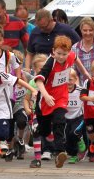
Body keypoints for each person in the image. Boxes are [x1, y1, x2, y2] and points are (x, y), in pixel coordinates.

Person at [34, 36, 82, 169]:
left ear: (68, 52)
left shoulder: (70, 56)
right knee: (44, 131)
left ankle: (60, 151)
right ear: (53, 51)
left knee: (60, 121)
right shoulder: (50, 63)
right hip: (45, 99)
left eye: (64, 54)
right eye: (58, 53)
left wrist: (85, 74)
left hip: (61, 97)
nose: (61, 57)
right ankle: (48, 134)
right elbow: (39, 81)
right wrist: (46, 95)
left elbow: (76, 58)